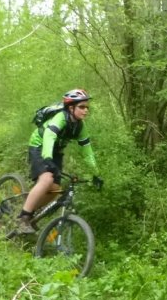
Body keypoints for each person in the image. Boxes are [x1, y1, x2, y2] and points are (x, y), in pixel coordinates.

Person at [17, 88, 103, 234]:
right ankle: (23, 218)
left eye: (87, 107)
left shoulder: (80, 126)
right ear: (71, 107)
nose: (86, 110)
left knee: (55, 188)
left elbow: (87, 152)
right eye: (82, 107)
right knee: (46, 179)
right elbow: (49, 136)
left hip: (56, 151)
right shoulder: (61, 118)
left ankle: (32, 211)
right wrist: (47, 158)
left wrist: (95, 173)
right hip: (40, 145)